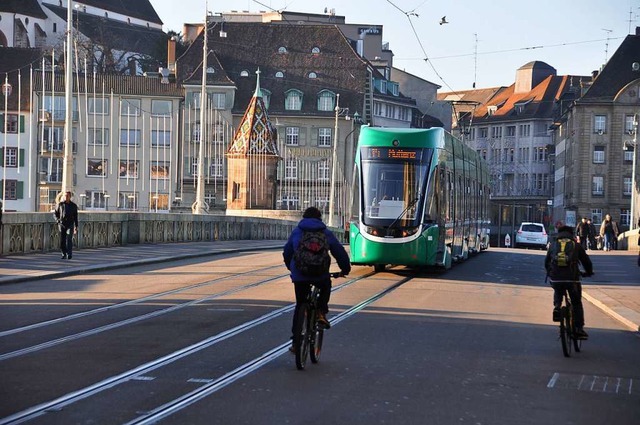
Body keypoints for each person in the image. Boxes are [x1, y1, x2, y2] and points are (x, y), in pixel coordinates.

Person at [283, 207, 351, 347]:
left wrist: (292, 268)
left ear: (304, 217)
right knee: (326, 285)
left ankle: (296, 342)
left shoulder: (297, 231)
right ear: (320, 218)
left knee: (300, 304)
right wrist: (345, 269)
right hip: (320, 274)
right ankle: (321, 312)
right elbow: (339, 252)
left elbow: (287, 252)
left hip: (300, 274)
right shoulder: (325, 232)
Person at [545, 225, 593, 339]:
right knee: (576, 302)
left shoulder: (553, 245)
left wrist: (550, 272)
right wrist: (589, 272)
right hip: (572, 278)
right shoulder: (575, 245)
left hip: (556, 277)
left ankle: (557, 306)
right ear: (571, 234)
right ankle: (579, 329)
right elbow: (586, 261)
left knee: (558, 288)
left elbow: (546, 262)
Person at [54, 191, 79, 259]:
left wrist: (76, 227)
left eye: (67, 196)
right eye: (65, 196)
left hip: (70, 224)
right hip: (62, 224)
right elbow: (55, 214)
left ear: (70, 197)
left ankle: (69, 254)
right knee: (63, 240)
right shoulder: (60, 204)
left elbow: (76, 217)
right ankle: (63, 253)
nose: (66, 197)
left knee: (69, 239)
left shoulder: (73, 206)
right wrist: (58, 220)